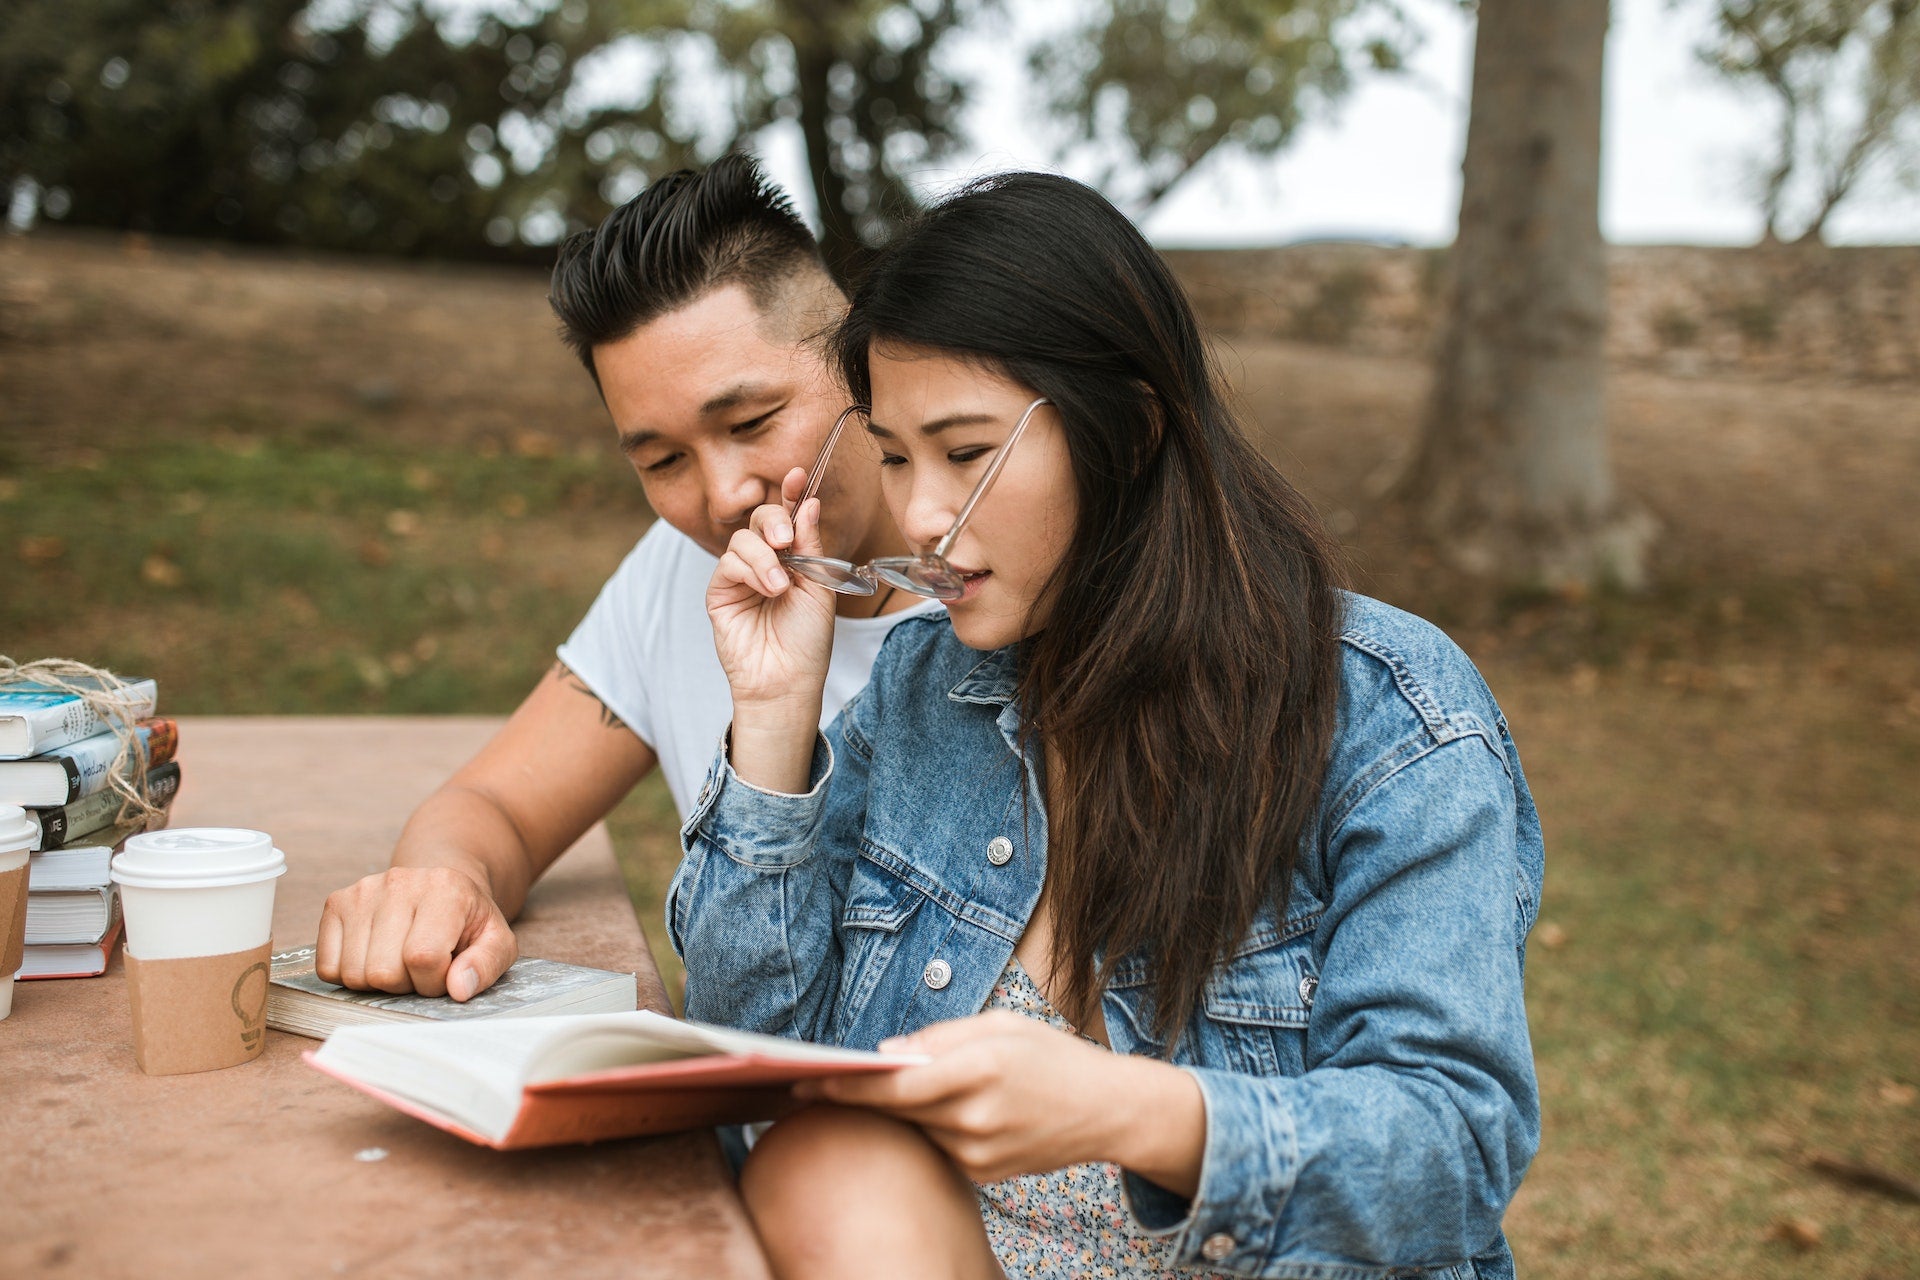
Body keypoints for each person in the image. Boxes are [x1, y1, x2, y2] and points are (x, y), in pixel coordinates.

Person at [678, 172, 1544, 1279]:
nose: (923, 515)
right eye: (894, 456)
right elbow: (758, 1077)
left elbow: (1450, 1153)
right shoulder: (918, 684)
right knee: (828, 1167)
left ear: (1128, 432)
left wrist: (1135, 1111)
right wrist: (772, 718)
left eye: (968, 449)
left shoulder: (1390, 715)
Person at [313, 155, 938, 1000]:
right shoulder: (683, 564)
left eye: (752, 421)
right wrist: (442, 882)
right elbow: (493, 805)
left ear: (861, 358)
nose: (722, 498)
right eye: (663, 459)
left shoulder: (1001, 595)